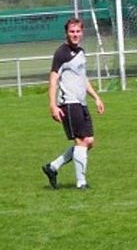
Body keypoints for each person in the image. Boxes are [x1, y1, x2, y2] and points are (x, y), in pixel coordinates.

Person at [42, 18, 105, 190]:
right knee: (81, 141)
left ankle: (52, 167)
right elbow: (53, 80)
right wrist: (53, 105)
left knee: (89, 141)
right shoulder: (61, 53)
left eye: (78, 31)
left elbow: (83, 79)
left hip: (81, 103)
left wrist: (96, 97)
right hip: (69, 104)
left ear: (82, 33)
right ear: (66, 33)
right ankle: (81, 183)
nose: (75, 34)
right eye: (72, 31)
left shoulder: (81, 52)